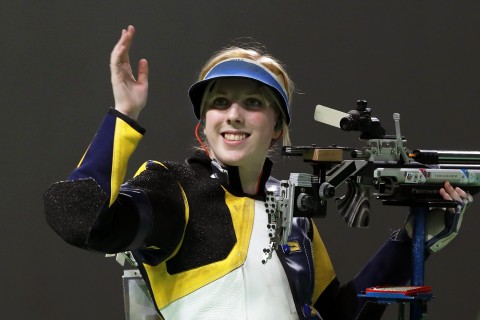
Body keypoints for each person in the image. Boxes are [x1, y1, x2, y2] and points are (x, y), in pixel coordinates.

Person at [44, 25, 473, 320]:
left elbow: (339, 314)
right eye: (219, 102)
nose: (233, 115)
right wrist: (123, 114)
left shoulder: (294, 208)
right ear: (204, 123)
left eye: (252, 103)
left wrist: (411, 242)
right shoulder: (173, 188)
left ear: (278, 128)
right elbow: (79, 217)